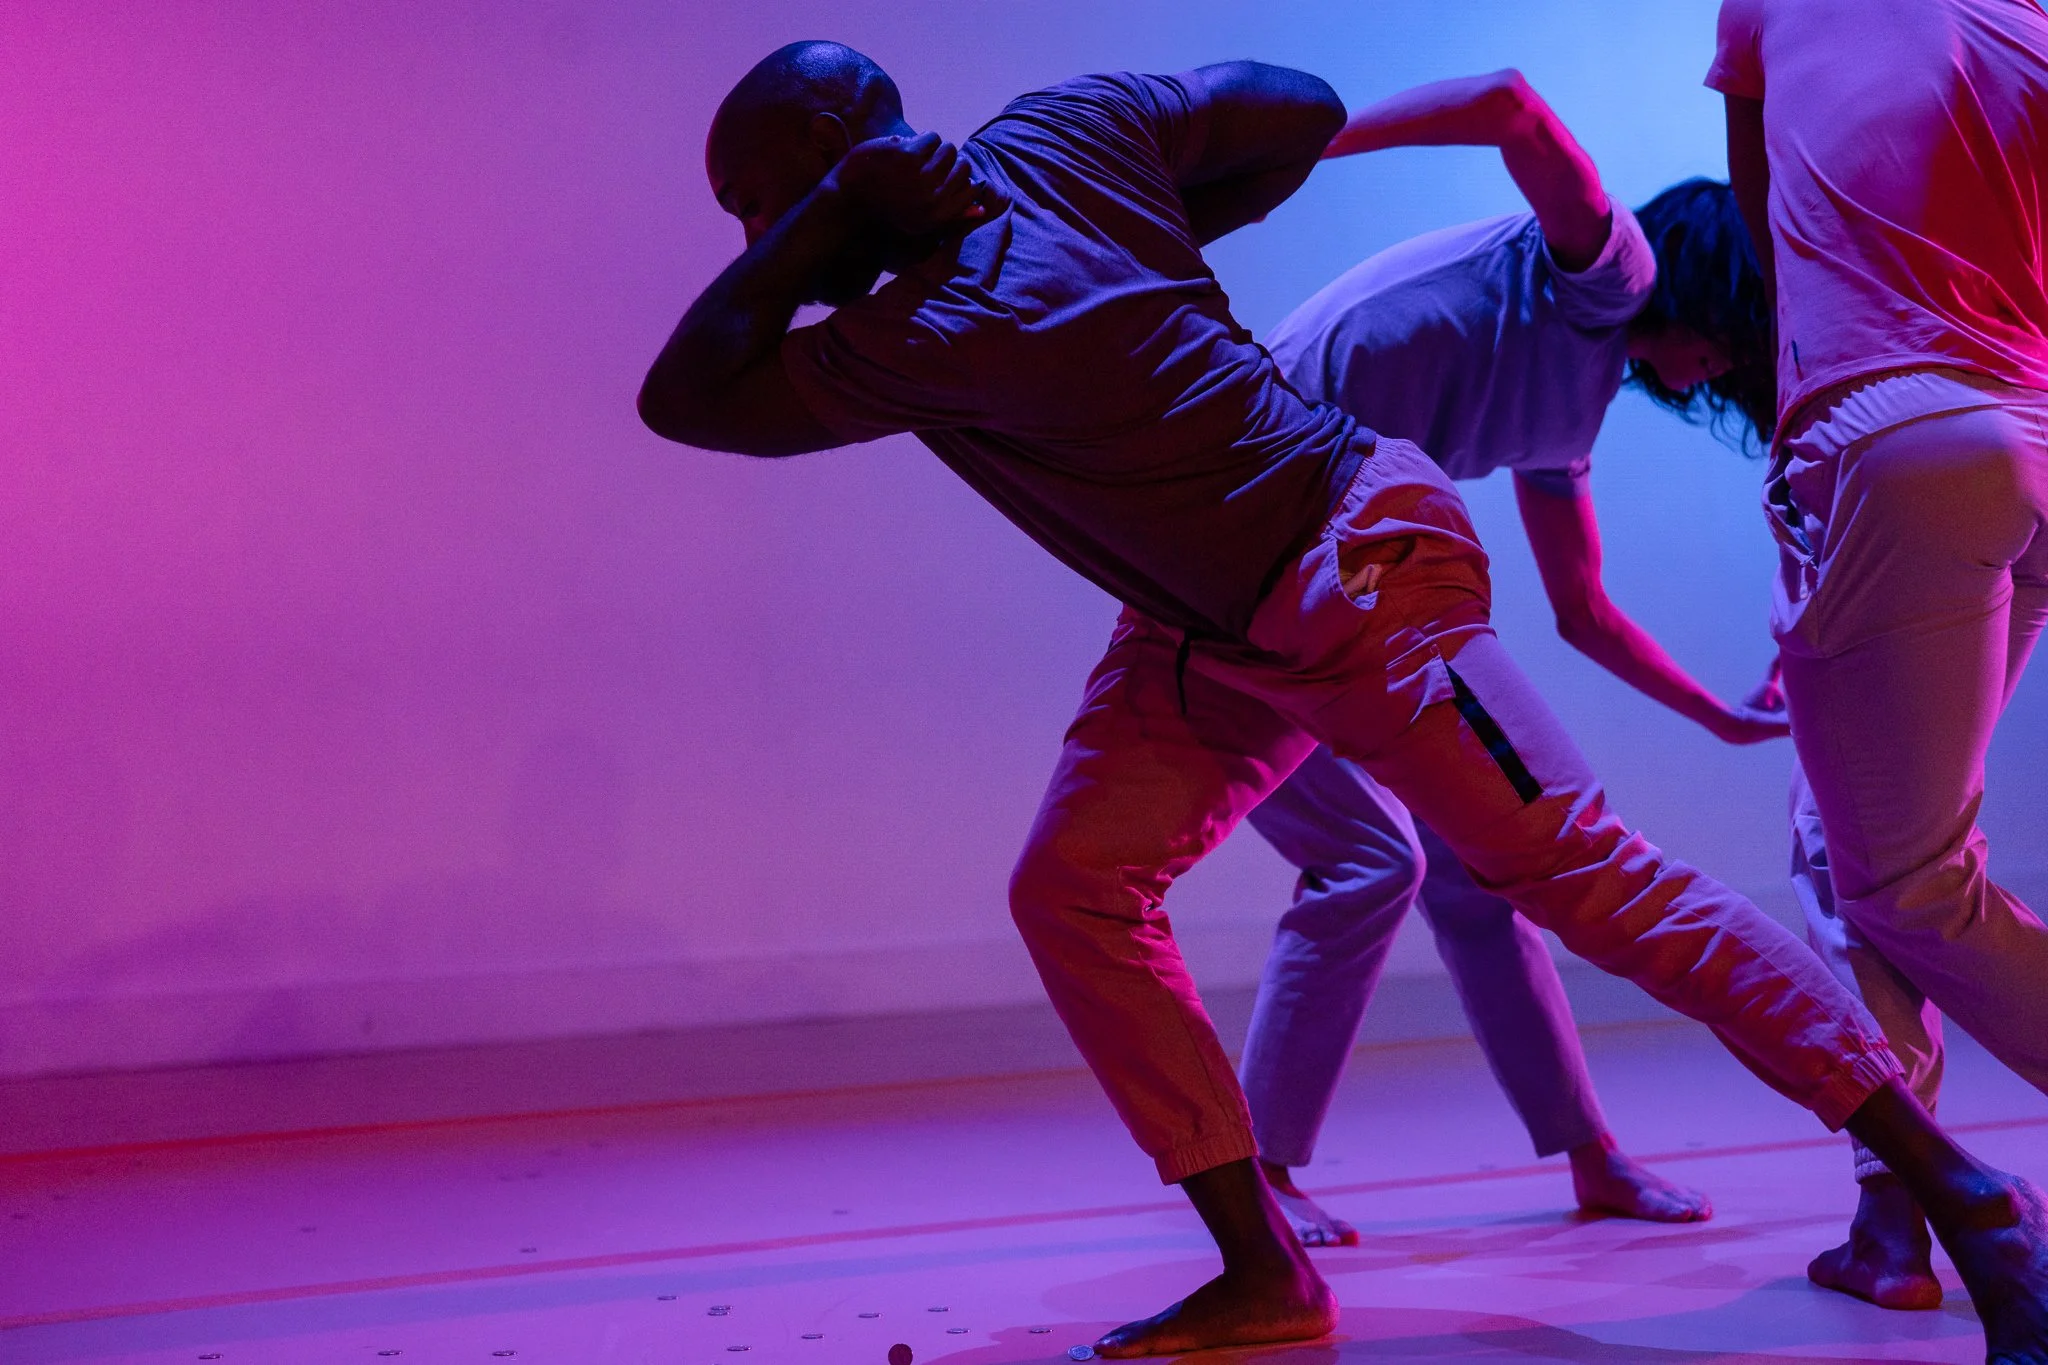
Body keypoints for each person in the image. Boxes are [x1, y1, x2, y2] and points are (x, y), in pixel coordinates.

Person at [637, 41, 2048, 1359]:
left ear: (828, 156)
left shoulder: (930, 323)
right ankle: (1267, 1265)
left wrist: (838, 220)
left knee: (1583, 878)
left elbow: (689, 395)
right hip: (1203, 624)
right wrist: (1146, 205)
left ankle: (1959, 1186)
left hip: (1356, 566)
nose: (753, 243)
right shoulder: (1050, 159)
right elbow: (1294, 110)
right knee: (1076, 883)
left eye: (752, 205)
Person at [1236, 71, 1778, 1246]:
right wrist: (1297, 153)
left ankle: (1590, 1159)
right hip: (1235, 550)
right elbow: (1511, 103)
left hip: (1347, 575)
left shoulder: (1566, 409)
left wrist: (1719, 720)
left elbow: (1581, 610)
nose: (1724, 372)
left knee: (1482, 869)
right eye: (1735, 340)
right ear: (1710, 293)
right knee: (1366, 860)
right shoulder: (1608, 269)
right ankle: (1256, 1182)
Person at [1712, 0, 2048, 1319]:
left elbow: (1764, 227)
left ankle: (1909, 1211)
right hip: (2025, 429)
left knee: (1902, 881)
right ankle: (1894, 1209)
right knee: (1847, 843)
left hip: (1894, 434)